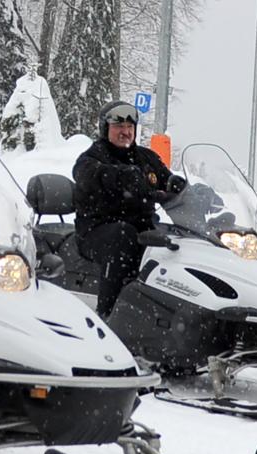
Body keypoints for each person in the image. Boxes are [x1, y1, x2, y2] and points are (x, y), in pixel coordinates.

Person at [73, 100, 186, 318]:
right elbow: (87, 175)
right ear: (106, 129)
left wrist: (181, 187)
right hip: (97, 230)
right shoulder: (91, 158)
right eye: (119, 127)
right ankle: (108, 313)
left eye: (130, 127)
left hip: (142, 228)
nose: (125, 132)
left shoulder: (146, 158)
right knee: (123, 235)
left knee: (176, 242)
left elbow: (165, 179)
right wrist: (121, 177)